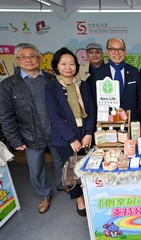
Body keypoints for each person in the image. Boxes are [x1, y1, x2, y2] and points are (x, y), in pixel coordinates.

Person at [0, 43, 63, 214]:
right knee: (36, 169)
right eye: (23, 57)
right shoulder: (8, 85)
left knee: (61, 162)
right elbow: (5, 116)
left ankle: (61, 184)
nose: (29, 60)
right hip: (29, 135)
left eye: (33, 56)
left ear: (40, 59)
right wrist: (14, 140)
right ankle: (44, 194)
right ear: (17, 60)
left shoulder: (52, 79)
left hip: (55, 132)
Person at [45, 47, 95, 217]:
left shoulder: (84, 85)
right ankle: (79, 201)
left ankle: (90, 196)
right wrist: (72, 139)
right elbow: (54, 116)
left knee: (88, 168)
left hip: (86, 135)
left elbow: (91, 110)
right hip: (65, 138)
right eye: (64, 64)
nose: (68, 67)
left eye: (72, 63)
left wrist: (88, 132)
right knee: (72, 171)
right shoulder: (51, 88)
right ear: (56, 66)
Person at [94, 38, 141, 121]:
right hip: (107, 122)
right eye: (112, 49)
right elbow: (94, 101)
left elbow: (139, 97)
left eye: (120, 49)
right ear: (107, 52)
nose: (117, 52)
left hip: (130, 121)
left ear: (125, 51)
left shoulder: (134, 71)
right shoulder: (98, 73)